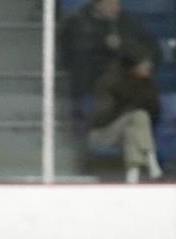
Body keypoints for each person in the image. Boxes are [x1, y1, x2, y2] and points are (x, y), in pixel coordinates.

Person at [86, 44, 163, 183]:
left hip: (130, 130)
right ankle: (151, 159)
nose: (149, 66)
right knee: (137, 117)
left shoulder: (147, 83)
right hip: (104, 132)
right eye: (144, 63)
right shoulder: (111, 82)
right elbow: (104, 116)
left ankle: (133, 173)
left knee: (134, 125)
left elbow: (155, 113)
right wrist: (129, 110)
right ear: (133, 65)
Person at [59, 0, 160, 101]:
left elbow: (153, 48)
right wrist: (108, 44)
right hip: (92, 87)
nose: (115, 8)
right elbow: (76, 55)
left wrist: (144, 61)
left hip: (127, 85)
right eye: (109, 4)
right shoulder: (76, 22)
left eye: (117, 3)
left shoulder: (128, 21)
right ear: (97, 4)